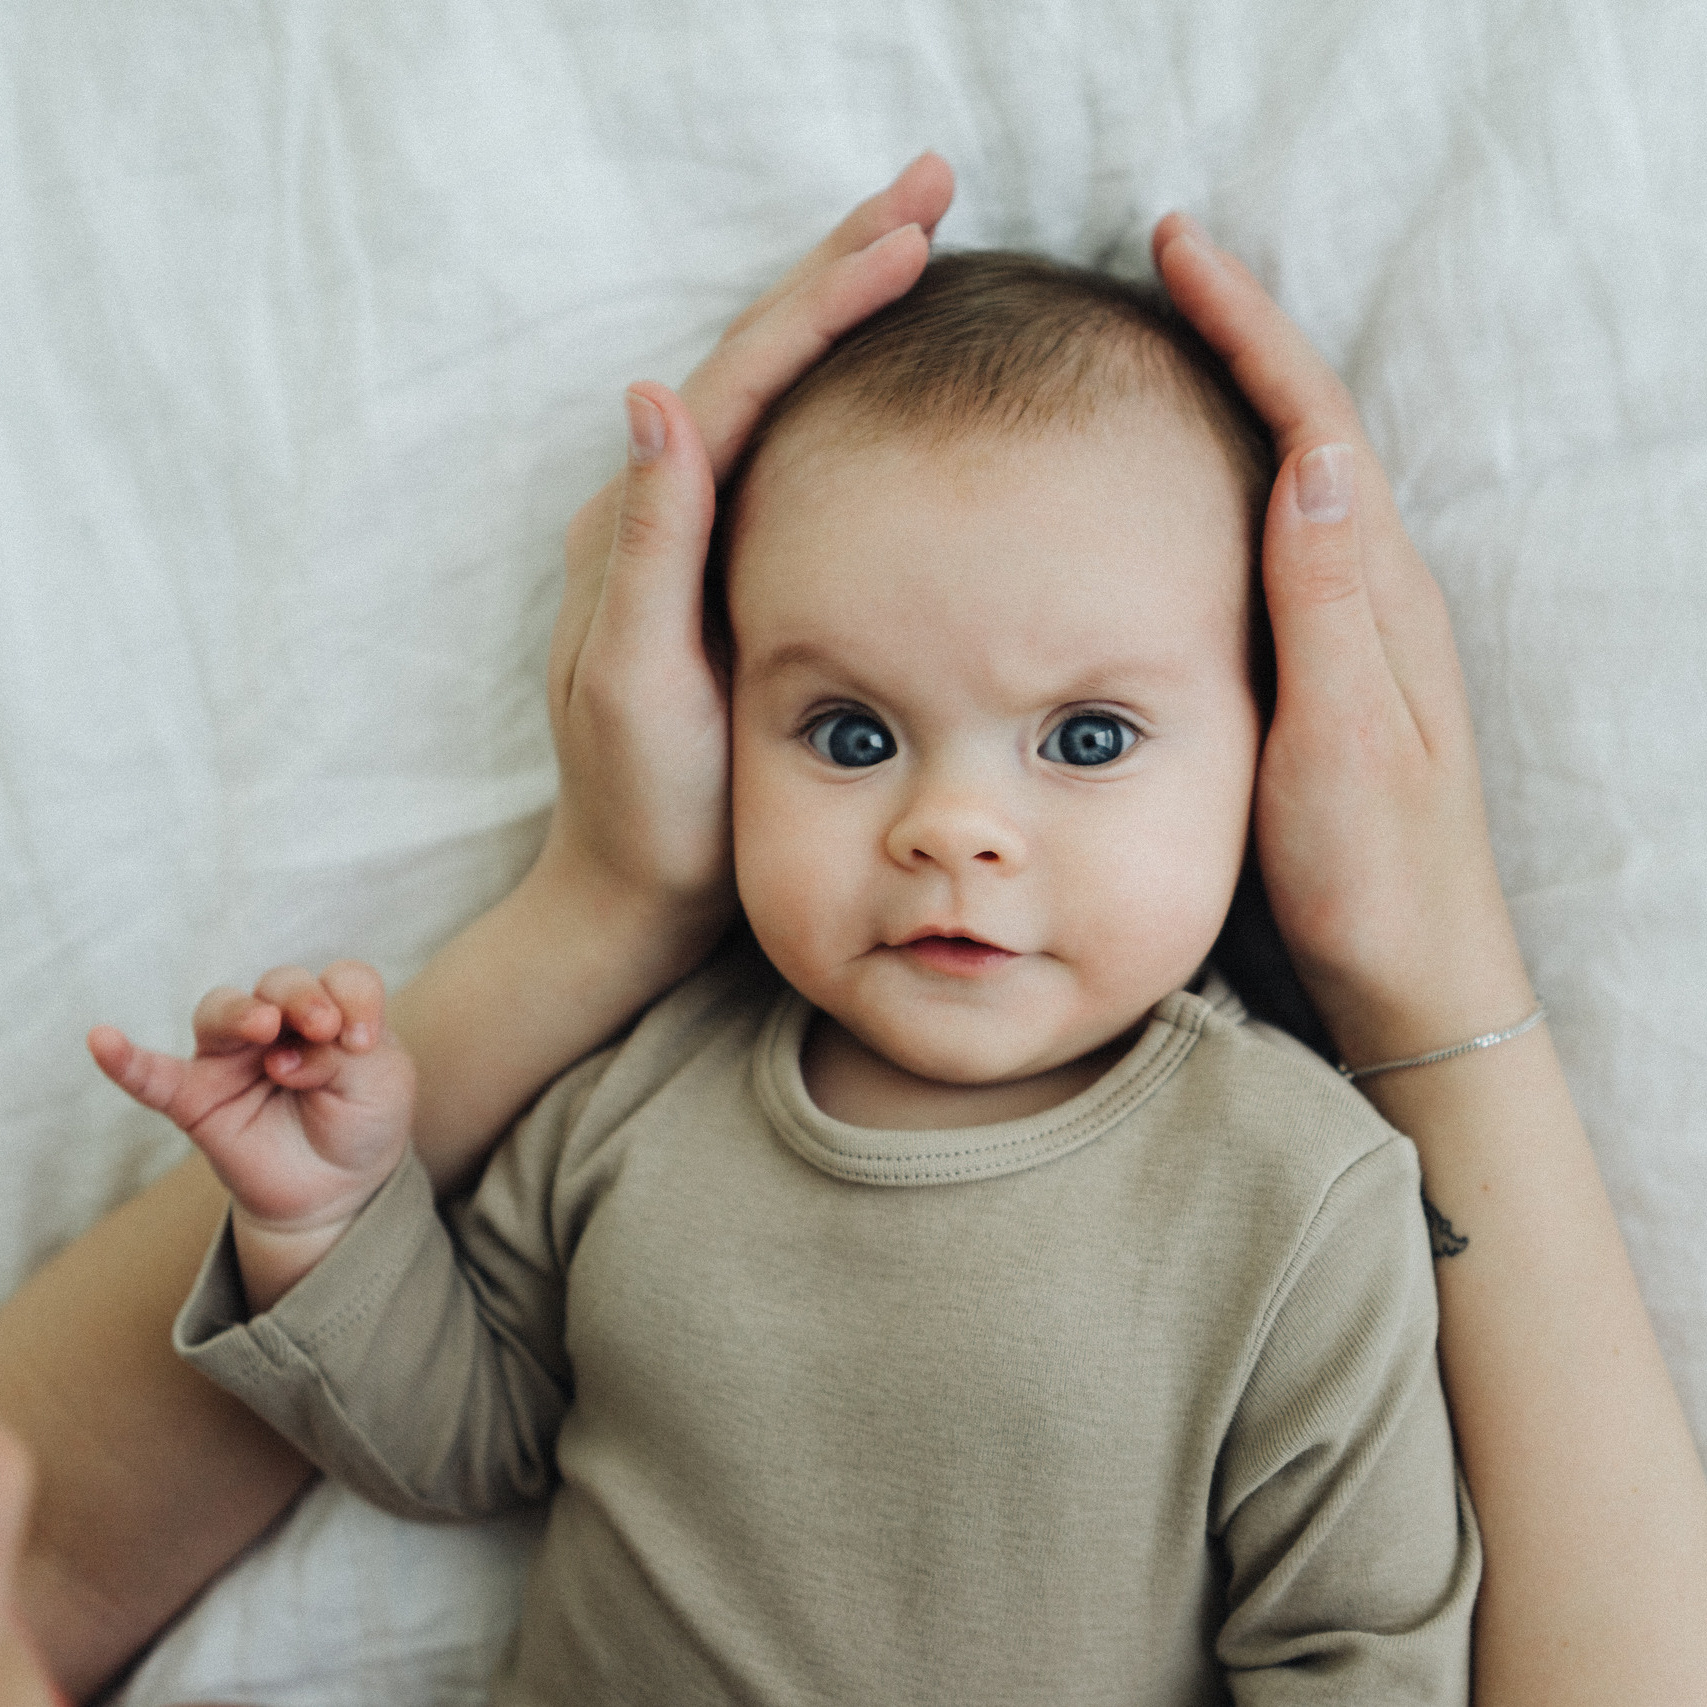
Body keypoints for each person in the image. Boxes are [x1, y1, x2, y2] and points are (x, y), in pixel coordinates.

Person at [0, 156, 1701, 1703]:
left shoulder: (1294, 1191)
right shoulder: (640, 1102)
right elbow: (461, 1443)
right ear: (723, 715)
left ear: (1268, 748)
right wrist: (326, 1225)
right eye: (852, 734)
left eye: (1087, 740)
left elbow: (1359, 1650)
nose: (951, 826)